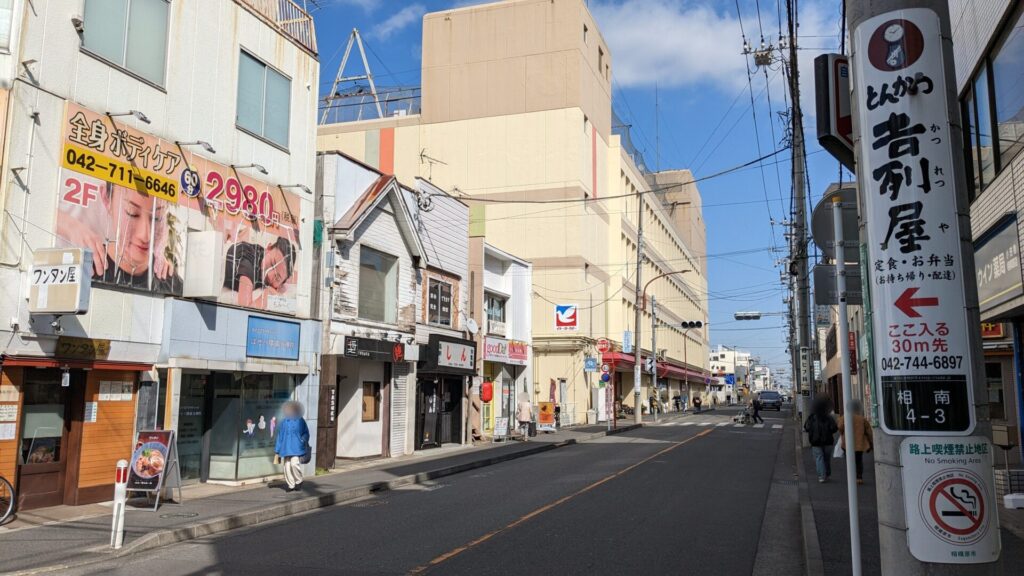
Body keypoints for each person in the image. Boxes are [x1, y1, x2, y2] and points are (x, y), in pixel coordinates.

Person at [59, 182, 183, 294]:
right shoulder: (85, 270)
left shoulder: (171, 284)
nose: (145, 235)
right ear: (106, 198)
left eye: (157, 217)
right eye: (132, 213)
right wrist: (68, 225)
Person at [223, 236, 297, 307]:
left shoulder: (279, 282)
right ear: (268, 248)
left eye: (277, 277)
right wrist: (266, 296)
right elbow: (245, 308)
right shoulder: (249, 259)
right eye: (272, 263)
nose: (269, 275)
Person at [274, 401, 309, 492]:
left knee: (294, 464)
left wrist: (303, 440)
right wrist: (277, 449)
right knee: (287, 466)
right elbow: (280, 436)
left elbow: (306, 433)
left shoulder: (300, 420)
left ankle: (299, 480)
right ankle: (291, 485)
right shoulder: (284, 422)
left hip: (296, 447)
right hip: (285, 447)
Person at [838, 400, 874, 484]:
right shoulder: (862, 419)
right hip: (859, 443)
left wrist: (842, 433)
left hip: (847, 443)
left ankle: (851, 476)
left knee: (849, 460)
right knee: (858, 460)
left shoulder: (845, 417)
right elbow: (869, 431)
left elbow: (840, 427)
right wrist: (870, 441)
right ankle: (859, 477)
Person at [804, 396, 838, 483]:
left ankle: (821, 477)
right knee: (826, 458)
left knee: (819, 458)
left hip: (815, 441)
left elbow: (806, 427)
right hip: (828, 441)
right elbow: (834, 428)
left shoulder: (811, 417)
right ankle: (827, 474)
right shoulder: (829, 417)